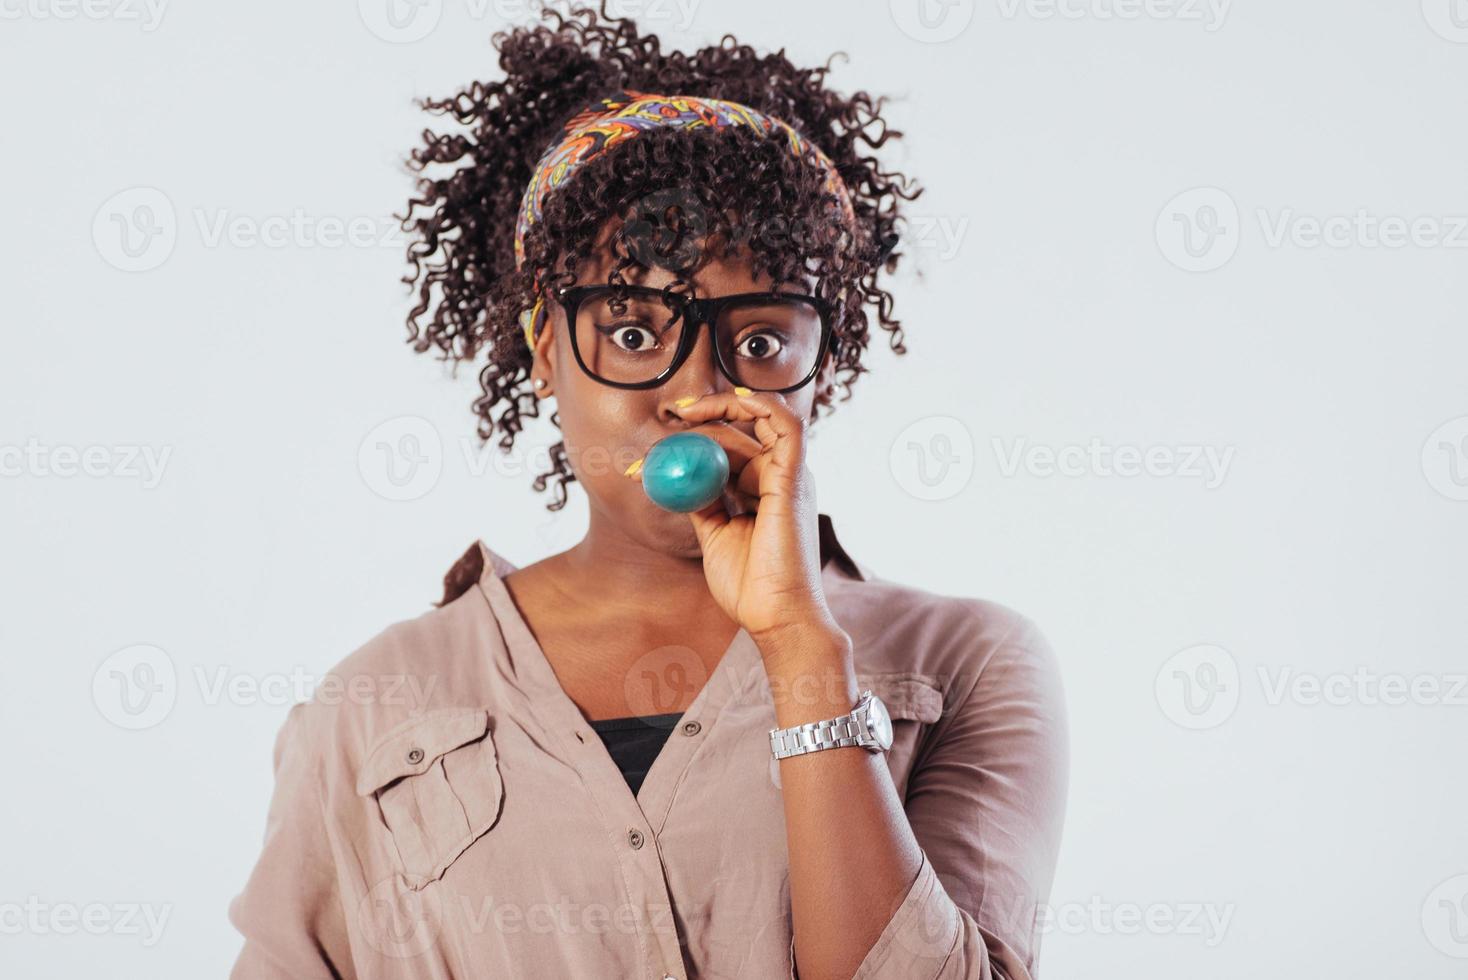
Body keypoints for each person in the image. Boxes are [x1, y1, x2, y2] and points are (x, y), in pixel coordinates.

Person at [228, 4, 1068, 978]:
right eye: (632, 331)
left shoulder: (968, 662)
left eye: (757, 341)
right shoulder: (372, 702)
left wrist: (800, 647)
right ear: (547, 351)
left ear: (819, 369)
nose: (696, 391)